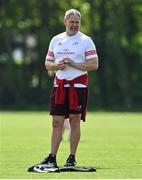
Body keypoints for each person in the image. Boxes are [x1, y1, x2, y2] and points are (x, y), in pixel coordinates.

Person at [40, 8, 99, 168]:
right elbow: (47, 63)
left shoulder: (86, 40)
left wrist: (74, 64)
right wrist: (55, 66)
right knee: (56, 122)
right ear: (65, 21)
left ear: (80, 23)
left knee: (74, 121)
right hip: (59, 85)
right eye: (71, 22)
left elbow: (94, 65)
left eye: (77, 22)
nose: (74, 25)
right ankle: (52, 157)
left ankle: (71, 157)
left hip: (78, 86)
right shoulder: (56, 40)